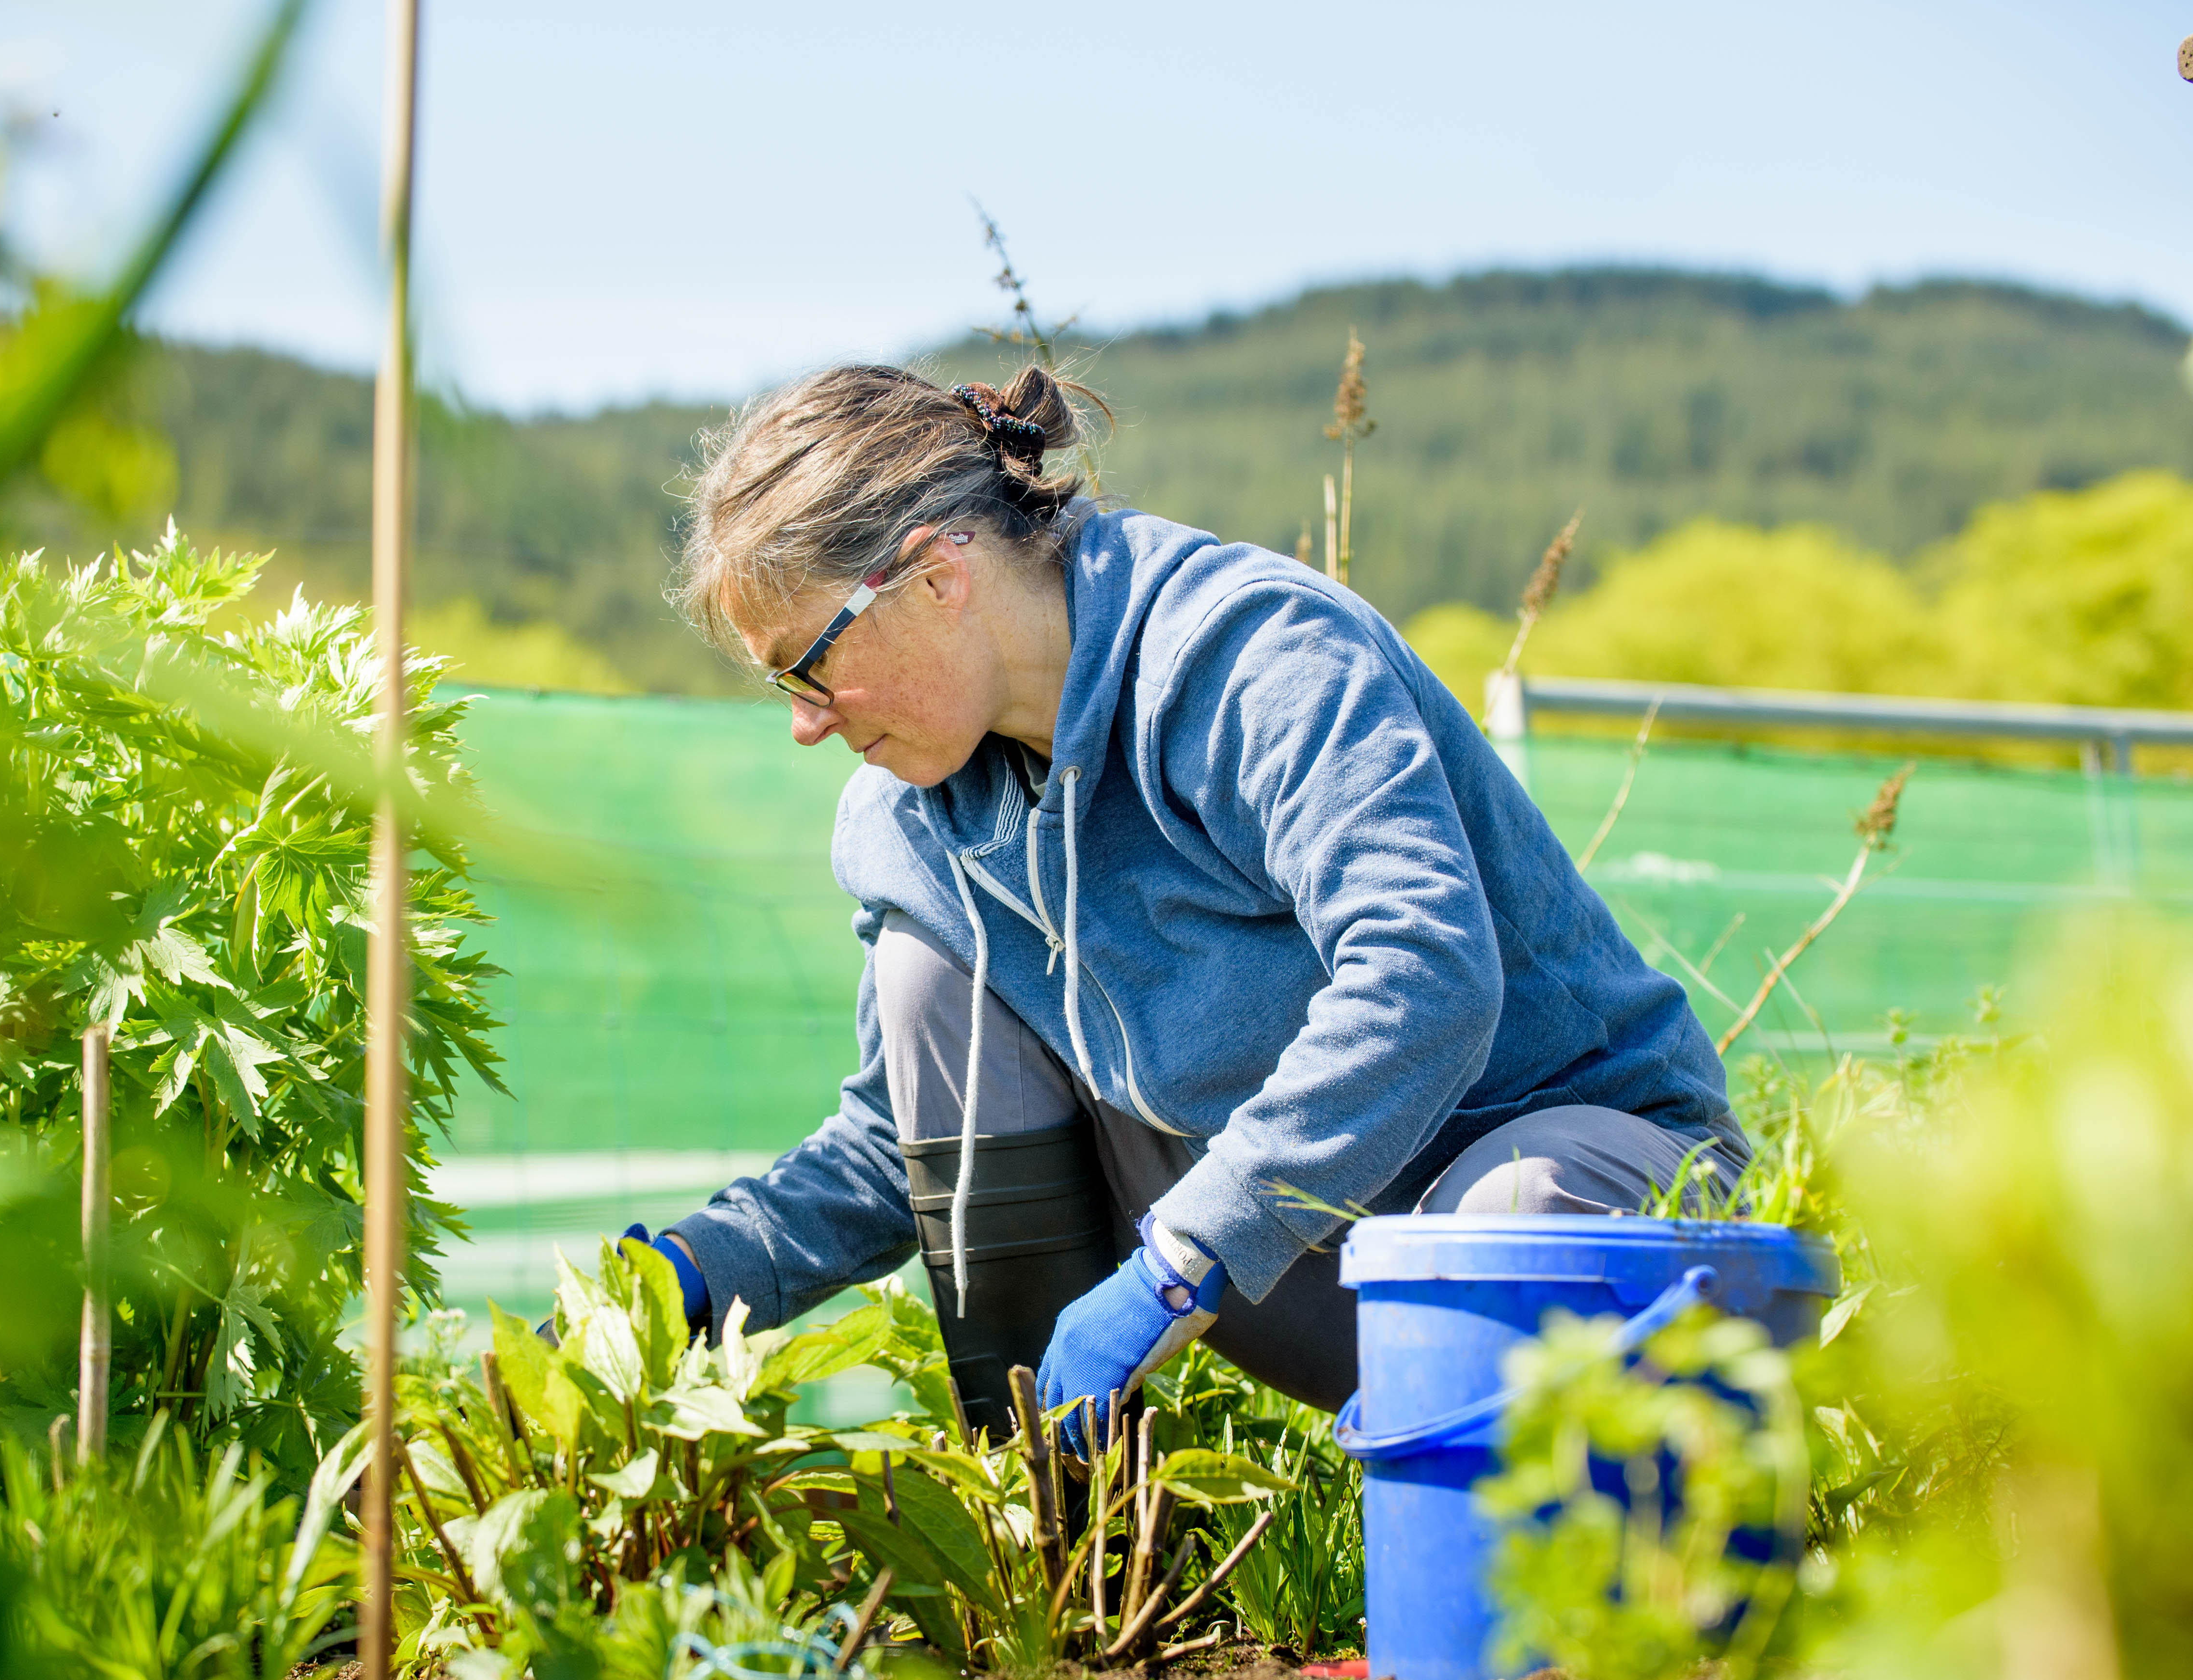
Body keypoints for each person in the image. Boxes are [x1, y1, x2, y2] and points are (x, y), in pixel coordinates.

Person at [625, 363, 1744, 1450]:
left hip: (1564, 1209)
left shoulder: (1250, 658)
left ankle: (1518, 1606)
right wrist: (685, 1273)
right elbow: (905, 1148)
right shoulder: (910, 820)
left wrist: (1176, 1263)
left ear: (934, 577)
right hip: (1288, 1256)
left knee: (1511, 1221)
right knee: (930, 975)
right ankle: (1060, 1527)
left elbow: (1425, 974)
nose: (805, 721)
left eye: (806, 667)